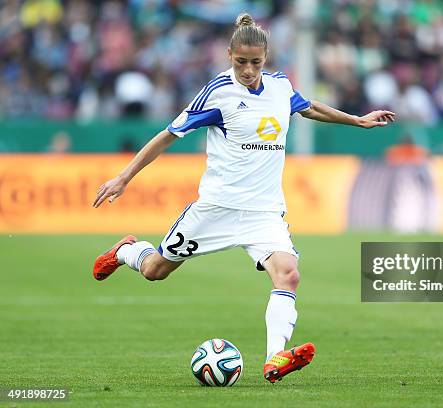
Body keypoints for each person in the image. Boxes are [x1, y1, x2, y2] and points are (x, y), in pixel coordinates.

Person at [92, 13, 395, 383]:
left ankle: (275, 358)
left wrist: (357, 120)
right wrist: (124, 177)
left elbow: (309, 107)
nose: (249, 70)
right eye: (241, 62)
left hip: (263, 212)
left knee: (289, 275)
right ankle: (126, 251)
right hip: (215, 209)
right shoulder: (217, 93)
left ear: (265, 58)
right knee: (156, 270)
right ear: (229, 55)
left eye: (256, 62)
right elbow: (168, 135)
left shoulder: (281, 86)